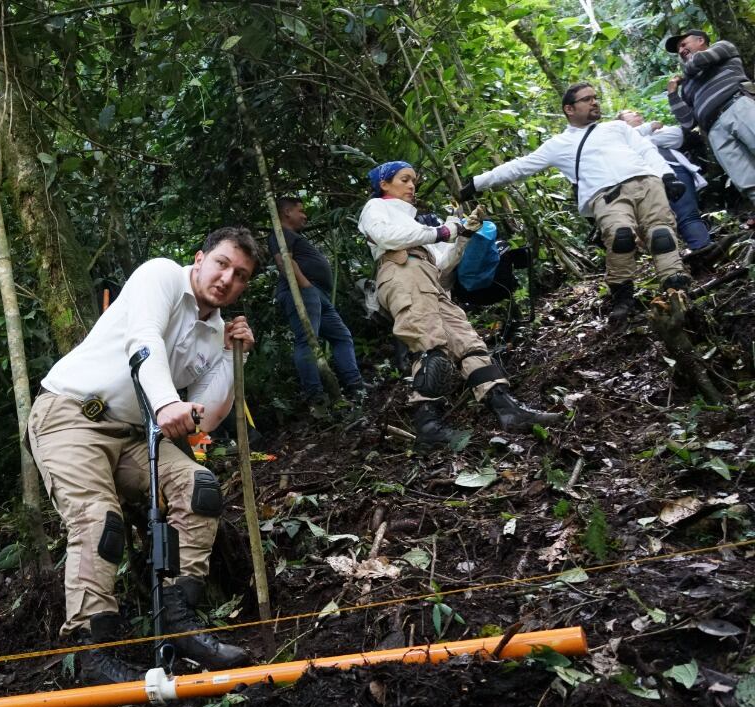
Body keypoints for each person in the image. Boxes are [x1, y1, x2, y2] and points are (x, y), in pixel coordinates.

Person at [28, 228, 257, 684]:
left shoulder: (216, 333)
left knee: (199, 488)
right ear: (199, 259)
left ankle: (179, 617)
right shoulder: (161, 277)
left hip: (135, 435)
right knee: (98, 519)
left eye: (240, 275)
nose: (226, 278)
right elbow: (143, 339)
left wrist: (235, 356)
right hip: (71, 415)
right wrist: (167, 402)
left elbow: (206, 419)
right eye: (221, 264)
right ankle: (93, 648)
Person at [360, 162, 562, 446]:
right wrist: (444, 232)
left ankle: (506, 408)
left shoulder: (416, 222)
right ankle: (428, 426)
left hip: (430, 279)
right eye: (404, 179)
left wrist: (464, 234)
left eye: (413, 181)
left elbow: (442, 264)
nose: (411, 186)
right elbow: (387, 237)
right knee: (430, 345)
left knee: (468, 342)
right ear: (384, 184)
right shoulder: (377, 209)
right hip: (401, 274)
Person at [459, 82, 691, 324]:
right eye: (587, 99)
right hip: (607, 195)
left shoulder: (618, 127)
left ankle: (676, 287)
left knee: (661, 235)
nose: (595, 102)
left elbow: (646, 150)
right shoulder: (559, 144)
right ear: (569, 109)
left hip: (648, 183)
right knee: (620, 237)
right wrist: (477, 182)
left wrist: (667, 175)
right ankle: (623, 298)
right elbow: (519, 166)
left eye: (595, 97)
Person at [268, 197, 366, 402]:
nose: (305, 216)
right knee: (307, 341)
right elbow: (284, 262)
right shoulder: (281, 233)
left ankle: (355, 385)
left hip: (315, 293)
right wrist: (306, 286)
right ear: (287, 212)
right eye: (301, 211)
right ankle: (316, 396)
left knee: (341, 336)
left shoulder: (292, 235)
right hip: (303, 291)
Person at [665, 29, 755, 220]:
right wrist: (673, 94)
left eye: (684, 44)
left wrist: (685, 72)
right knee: (745, 178)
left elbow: (698, 62)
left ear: (701, 40)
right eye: (678, 49)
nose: (681, 50)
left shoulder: (723, 48)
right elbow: (688, 121)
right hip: (714, 129)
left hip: (737, 106)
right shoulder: (688, 86)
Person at [616, 109, 712, 250]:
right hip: (645, 178)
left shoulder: (654, 131)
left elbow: (677, 135)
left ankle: (702, 248)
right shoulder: (619, 137)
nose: (636, 113)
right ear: (621, 123)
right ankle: (694, 252)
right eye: (630, 113)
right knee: (660, 222)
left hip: (674, 171)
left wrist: (644, 140)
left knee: (687, 213)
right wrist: (647, 133)